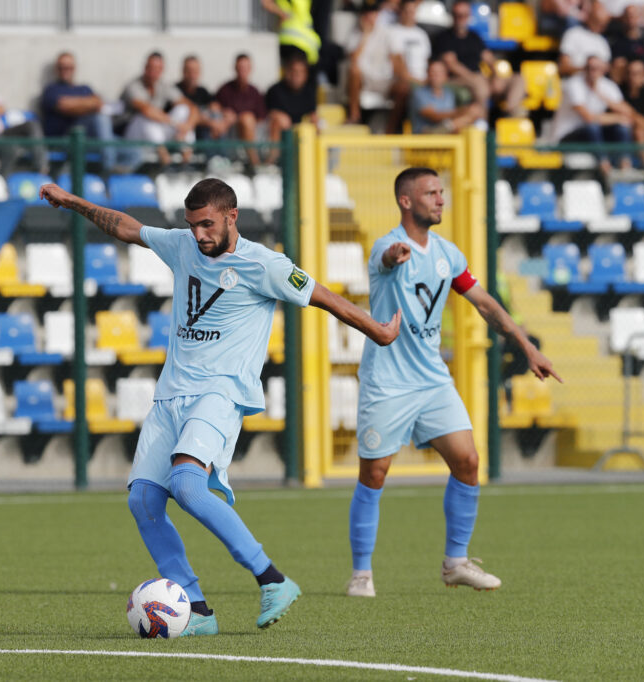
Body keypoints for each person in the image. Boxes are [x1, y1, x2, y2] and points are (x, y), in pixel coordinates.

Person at [39, 177, 401, 636]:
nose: (199, 235)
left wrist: (379, 331)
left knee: (188, 486)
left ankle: (273, 579)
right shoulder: (183, 246)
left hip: (222, 392)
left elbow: (326, 299)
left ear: (232, 216)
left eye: (207, 224)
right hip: (171, 395)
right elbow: (128, 228)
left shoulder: (265, 264)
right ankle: (196, 609)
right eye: (191, 225)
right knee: (143, 500)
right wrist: (72, 203)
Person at [345, 167, 560, 599]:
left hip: (432, 381)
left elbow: (484, 303)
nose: (440, 200)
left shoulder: (448, 254)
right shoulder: (387, 247)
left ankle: (456, 563)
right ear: (406, 201)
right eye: (431, 193)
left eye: (442, 192)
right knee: (375, 473)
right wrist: (395, 257)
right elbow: (387, 258)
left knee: (468, 461)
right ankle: (361, 574)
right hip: (387, 382)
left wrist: (526, 347)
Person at [431, 0, 525, 119]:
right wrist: (475, 78)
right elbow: (452, 65)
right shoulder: (444, 37)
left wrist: (496, 76)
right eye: (458, 15)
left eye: (464, 15)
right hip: (456, 78)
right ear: (452, 15)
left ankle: (509, 114)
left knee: (518, 79)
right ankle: (482, 126)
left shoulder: (474, 37)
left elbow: (489, 59)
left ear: (469, 16)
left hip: (478, 77)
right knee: (480, 85)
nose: (461, 18)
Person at [551, 56, 635, 174]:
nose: (593, 71)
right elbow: (588, 118)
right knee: (592, 127)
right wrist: (618, 118)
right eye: (590, 68)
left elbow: (629, 114)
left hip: (593, 135)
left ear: (604, 69)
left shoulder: (607, 85)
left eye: (597, 68)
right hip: (567, 136)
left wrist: (601, 95)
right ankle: (604, 166)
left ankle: (625, 165)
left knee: (622, 128)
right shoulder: (573, 84)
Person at [40, 51, 116, 170]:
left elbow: (99, 103)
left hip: (90, 140)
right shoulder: (51, 90)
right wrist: (88, 105)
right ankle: (108, 172)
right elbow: (64, 106)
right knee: (99, 119)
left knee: (133, 151)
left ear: (74, 68)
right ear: (56, 69)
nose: (65, 70)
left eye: (69, 67)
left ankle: (116, 176)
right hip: (65, 141)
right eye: (62, 67)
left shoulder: (84, 88)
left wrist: (76, 104)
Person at [121, 52, 199, 166]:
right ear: (145, 67)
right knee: (145, 119)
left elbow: (191, 107)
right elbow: (146, 110)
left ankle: (186, 158)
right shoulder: (133, 86)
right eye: (151, 68)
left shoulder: (163, 85)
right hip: (132, 134)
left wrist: (187, 126)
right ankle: (164, 160)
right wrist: (176, 124)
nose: (153, 72)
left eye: (157, 68)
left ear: (162, 70)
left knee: (183, 110)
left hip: (157, 134)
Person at [345, 0, 394, 125]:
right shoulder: (354, 33)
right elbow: (353, 59)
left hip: (384, 79)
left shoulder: (387, 33)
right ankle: (354, 115)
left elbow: (396, 59)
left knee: (403, 87)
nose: (369, 17)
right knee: (354, 71)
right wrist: (365, 36)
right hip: (364, 80)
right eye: (366, 14)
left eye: (372, 13)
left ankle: (393, 128)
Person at [386, 0, 431, 133]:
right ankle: (392, 132)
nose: (409, 15)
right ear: (400, 12)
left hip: (422, 80)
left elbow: (427, 62)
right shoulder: (392, 32)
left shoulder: (422, 35)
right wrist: (421, 82)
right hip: (401, 81)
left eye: (412, 11)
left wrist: (429, 81)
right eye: (407, 11)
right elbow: (398, 67)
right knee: (405, 89)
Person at [215, 54, 268, 167]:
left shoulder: (255, 92)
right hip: (231, 136)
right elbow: (214, 107)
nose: (242, 71)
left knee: (247, 118)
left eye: (245, 68)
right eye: (240, 68)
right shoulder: (225, 90)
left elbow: (261, 119)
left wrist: (243, 121)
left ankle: (256, 162)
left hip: (254, 135)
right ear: (235, 68)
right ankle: (255, 164)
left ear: (250, 69)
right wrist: (225, 114)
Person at [265, 53, 317, 161]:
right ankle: (270, 162)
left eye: (300, 72)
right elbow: (268, 114)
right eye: (294, 71)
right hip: (273, 135)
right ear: (287, 72)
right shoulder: (275, 90)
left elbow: (313, 116)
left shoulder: (309, 92)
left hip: (298, 135)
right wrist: (282, 119)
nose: (296, 75)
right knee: (279, 121)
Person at [409, 60, 485, 134]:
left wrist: (469, 113)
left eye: (439, 72)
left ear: (445, 75)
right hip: (425, 134)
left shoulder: (448, 94)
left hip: (446, 132)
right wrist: (464, 111)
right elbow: (434, 116)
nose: (436, 75)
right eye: (433, 72)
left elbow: (448, 116)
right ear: (427, 73)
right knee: (465, 120)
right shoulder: (419, 93)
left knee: (469, 118)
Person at [608, 4, 644, 87]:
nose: (631, 19)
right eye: (629, 16)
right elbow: (618, 73)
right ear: (624, 19)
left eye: (634, 16)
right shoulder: (618, 43)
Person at [176, 55, 228, 142]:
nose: (192, 75)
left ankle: (220, 154)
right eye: (189, 71)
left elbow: (215, 106)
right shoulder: (176, 91)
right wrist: (210, 123)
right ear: (183, 71)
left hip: (206, 130)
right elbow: (187, 115)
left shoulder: (202, 91)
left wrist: (223, 120)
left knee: (217, 116)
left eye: (195, 71)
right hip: (184, 133)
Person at [559, 1, 613, 77]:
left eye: (603, 25)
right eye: (597, 21)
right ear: (589, 17)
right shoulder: (573, 34)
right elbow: (563, 67)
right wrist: (588, 69)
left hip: (598, 83)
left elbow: (606, 68)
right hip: (576, 80)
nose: (601, 27)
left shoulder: (603, 42)